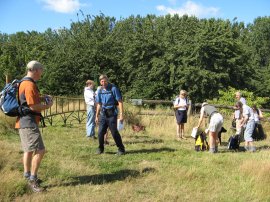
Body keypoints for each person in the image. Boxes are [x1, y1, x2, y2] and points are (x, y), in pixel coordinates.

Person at [15, 60, 53, 192]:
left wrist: (42, 98)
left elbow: (27, 100)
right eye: (41, 70)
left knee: (28, 150)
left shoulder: (23, 82)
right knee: (40, 150)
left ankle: (27, 175)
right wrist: (47, 106)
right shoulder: (30, 85)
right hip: (29, 122)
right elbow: (32, 106)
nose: (42, 73)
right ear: (36, 70)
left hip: (22, 122)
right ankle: (33, 180)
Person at [95, 74, 125, 155]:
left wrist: (121, 114)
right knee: (100, 132)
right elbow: (98, 104)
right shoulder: (99, 90)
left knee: (114, 132)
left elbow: (120, 102)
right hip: (103, 114)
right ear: (100, 82)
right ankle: (100, 148)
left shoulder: (113, 88)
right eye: (102, 81)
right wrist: (96, 115)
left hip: (112, 114)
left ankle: (121, 149)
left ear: (107, 80)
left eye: (105, 81)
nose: (103, 82)